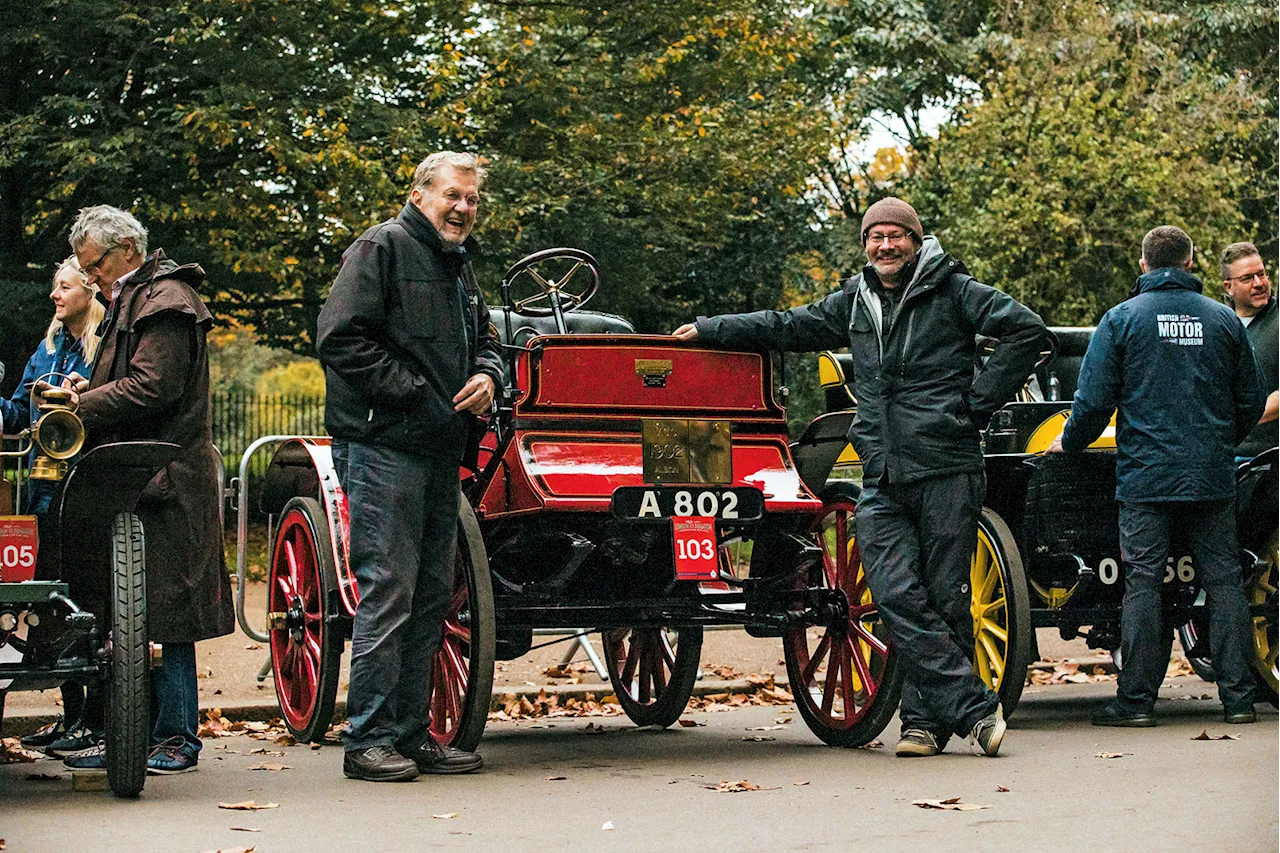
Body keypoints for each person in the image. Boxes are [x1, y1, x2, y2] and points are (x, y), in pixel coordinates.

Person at [674, 197, 1048, 757]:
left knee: (946, 596)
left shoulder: (953, 290)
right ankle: (975, 707)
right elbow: (788, 325)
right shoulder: (855, 299)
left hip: (946, 465)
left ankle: (923, 725)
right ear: (866, 245)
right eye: (875, 237)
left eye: (896, 235)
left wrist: (973, 407)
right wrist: (709, 329)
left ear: (916, 241)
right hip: (884, 471)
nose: (885, 245)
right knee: (894, 589)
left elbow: (1028, 332)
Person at [317, 151, 503, 782]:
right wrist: (418, 395)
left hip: (436, 448)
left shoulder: (459, 266)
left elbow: (487, 340)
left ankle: (412, 735)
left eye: (473, 199)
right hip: (384, 449)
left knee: (428, 598)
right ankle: (365, 741)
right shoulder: (382, 247)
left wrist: (487, 375)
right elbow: (339, 337)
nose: (464, 208)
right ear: (421, 194)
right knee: (390, 591)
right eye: (454, 195)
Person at [41, 204, 235, 772]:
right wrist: (91, 383)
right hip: (146, 477)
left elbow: (155, 387)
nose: (91, 275)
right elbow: (137, 378)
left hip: (165, 479)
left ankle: (175, 738)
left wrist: (82, 401)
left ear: (126, 250)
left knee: (167, 616)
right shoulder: (144, 297)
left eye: (94, 263)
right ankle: (140, 734)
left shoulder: (165, 300)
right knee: (135, 613)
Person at [1050, 226, 1262, 726]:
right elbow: (1250, 400)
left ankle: (1136, 702)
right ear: (1191, 263)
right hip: (1211, 474)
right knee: (1225, 581)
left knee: (1141, 583)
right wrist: (1219, 440)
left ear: (1144, 265)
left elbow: (1093, 401)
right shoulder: (1224, 321)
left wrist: (1070, 444)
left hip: (1146, 477)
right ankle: (1238, 700)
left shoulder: (1120, 320)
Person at [4, 256, 104, 757]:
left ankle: (96, 721)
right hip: (42, 488)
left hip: (86, 485)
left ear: (89, 289)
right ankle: (72, 718)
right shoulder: (46, 347)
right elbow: (18, 411)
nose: (54, 295)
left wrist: (77, 396)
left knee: (88, 602)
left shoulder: (102, 347)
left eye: (63, 286)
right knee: (50, 608)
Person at [1222, 242, 1280, 459]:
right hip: (1224, 458)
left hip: (1271, 458)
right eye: (1247, 278)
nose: (1259, 283)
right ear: (1229, 287)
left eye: (1262, 274)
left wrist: (1238, 418)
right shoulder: (1218, 324)